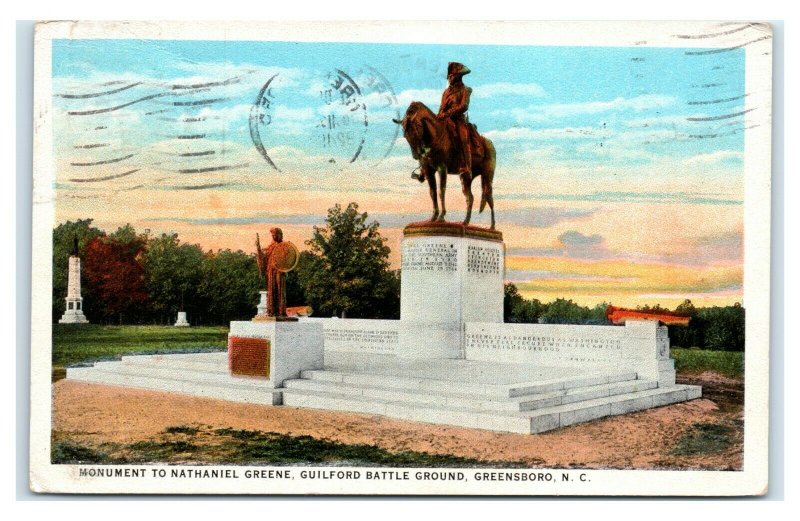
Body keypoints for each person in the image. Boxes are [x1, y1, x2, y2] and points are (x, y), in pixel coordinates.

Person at [437, 62, 473, 176]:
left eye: (451, 76)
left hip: (458, 120)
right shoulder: (446, 92)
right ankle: (425, 166)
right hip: (445, 119)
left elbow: (464, 106)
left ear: (457, 76)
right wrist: (439, 115)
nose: (449, 79)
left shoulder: (466, 90)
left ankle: (467, 167)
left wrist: (447, 113)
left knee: (463, 137)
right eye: (449, 76)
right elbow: (442, 107)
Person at [255, 228, 287, 317]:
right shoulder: (271, 246)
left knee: (280, 290)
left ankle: (280, 311)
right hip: (271, 271)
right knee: (272, 290)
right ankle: (272, 311)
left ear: (280, 235)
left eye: (275, 235)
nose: (274, 237)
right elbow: (265, 258)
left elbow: (287, 259)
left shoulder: (284, 246)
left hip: (280, 271)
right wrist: (258, 249)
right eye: (272, 235)